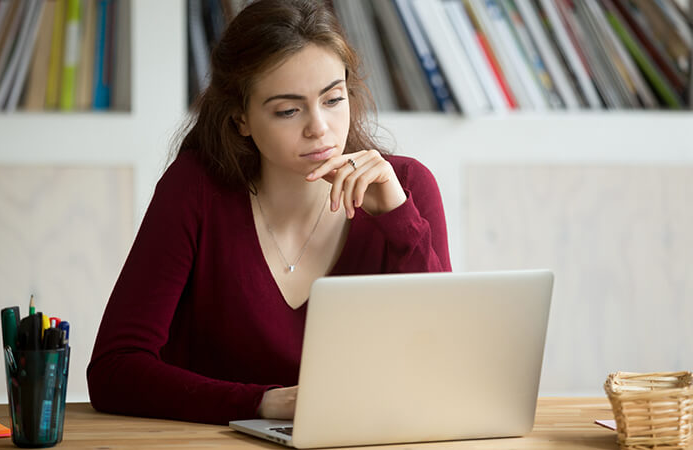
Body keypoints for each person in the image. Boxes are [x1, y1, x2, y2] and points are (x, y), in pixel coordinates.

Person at [87, 0, 451, 425]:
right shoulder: (195, 189)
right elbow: (115, 370)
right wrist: (260, 402)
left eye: (333, 99)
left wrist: (399, 218)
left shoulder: (405, 188)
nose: (319, 127)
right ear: (241, 117)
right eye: (288, 110)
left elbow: (440, 366)